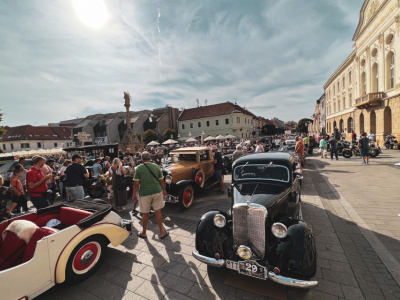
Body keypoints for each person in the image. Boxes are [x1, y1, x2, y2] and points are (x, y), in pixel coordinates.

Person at [132, 152, 168, 239]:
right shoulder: (156, 166)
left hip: (144, 193)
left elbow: (136, 184)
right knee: (158, 212)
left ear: (141, 159)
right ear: (150, 158)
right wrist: (164, 190)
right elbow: (162, 181)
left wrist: (134, 194)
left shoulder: (138, 168)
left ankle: (144, 233)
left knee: (145, 213)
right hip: (157, 190)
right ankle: (162, 232)